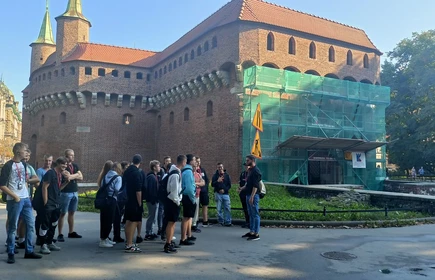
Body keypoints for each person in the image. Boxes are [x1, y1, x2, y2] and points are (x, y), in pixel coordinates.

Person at [0, 143, 42, 264]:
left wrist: (26, 194)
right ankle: (11, 252)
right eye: (25, 150)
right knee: (13, 227)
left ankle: (29, 250)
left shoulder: (24, 164)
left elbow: (24, 180)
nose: (27, 152)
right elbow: (2, 185)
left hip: (26, 198)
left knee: (30, 224)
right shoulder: (8, 166)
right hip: (15, 200)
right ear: (18, 152)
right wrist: (15, 196)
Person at [33, 157, 70, 254]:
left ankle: (50, 242)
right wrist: (45, 202)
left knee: (53, 223)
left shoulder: (60, 175)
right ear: (57, 164)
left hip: (56, 203)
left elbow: (58, 188)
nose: (65, 166)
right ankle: (42, 244)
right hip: (49, 203)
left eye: (66, 165)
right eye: (63, 164)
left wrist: (66, 182)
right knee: (44, 224)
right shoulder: (50, 173)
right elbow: (44, 187)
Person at [57, 149, 83, 242]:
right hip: (65, 192)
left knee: (72, 212)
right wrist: (76, 175)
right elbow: (67, 177)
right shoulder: (64, 166)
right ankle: (60, 233)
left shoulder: (75, 165)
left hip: (74, 191)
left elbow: (81, 177)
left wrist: (73, 176)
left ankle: (71, 232)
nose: (72, 157)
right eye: (70, 155)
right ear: (66, 156)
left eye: (73, 155)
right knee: (62, 213)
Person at [163, 155, 186, 253]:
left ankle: (169, 241)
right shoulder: (175, 174)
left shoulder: (174, 172)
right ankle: (168, 243)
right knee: (171, 223)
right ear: (183, 162)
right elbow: (174, 190)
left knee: (172, 223)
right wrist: (177, 201)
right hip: (172, 202)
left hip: (171, 201)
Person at [99, 162, 123, 248]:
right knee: (110, 220)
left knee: (104, 219)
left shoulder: (105, 176)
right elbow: (117, 188)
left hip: (104, 199)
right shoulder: (118, 177)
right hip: (112, 200)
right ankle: (104, 240)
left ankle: (104, 238)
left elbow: (102, 185)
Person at [123, 154, 144, 253]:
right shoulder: (137, 173)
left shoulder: (127, 171)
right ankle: (130, 245)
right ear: (140, 162)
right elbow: (138, 190)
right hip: (134, 201)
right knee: (134, 221)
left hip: (127, 199)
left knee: (128, 221)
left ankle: (128, 242)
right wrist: (140, 204)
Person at [240, 155, 262, 241]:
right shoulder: (250, 170)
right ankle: (252, 231)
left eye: (248, 160)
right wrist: (242, 188)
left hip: (253, 195)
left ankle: (256, 233)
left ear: (252, 160)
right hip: (248, 194)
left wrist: (252, 197)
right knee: (251, 214)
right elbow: (248, 183)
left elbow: (255, 186)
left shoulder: (256, 171)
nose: (246, 162)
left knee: (255, 214)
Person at [180, 154, 197, 246]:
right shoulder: (188, 172)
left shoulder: (186, 171)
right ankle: (183, 238)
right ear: (190, 161)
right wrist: (193, 198)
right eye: (194, 160)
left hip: (186, 196)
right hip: (188, 197)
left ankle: (187, 236)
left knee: (188, 217)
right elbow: (189, 188)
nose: (195, 162)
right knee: (186, 217)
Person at [112, 161, 130, 243]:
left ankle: (116, 235)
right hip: (120, 199)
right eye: (126, 168)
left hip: (119, 199)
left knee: (117, 217)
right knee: (117, 217)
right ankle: (117, 235)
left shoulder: (121, 176)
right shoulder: (121, 177)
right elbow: (118, 189)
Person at [145, 160, 161, 240]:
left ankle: (151, 231)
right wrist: (153, 199)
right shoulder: (151, 177)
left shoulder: (155, 176)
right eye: (158, 166)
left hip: (154, 200)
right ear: (154, 167)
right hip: (152, 200)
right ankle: (148, 232)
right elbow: (151, 190)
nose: (160, 167)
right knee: (151, 216)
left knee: (153, 216)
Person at [158, 156, 171, 239]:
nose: (168, 162)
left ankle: (163, 230)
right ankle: (161, 229)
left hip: (166, 196)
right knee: (162, 212)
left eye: (169, 161)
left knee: (164, 213)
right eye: (166, 161)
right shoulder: (162, 172)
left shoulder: (169, 172)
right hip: (164, 196)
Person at [196, 157, 210, 227]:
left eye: (199, 161)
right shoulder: (194, 171)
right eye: (197, 161)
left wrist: (205, 187)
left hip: (204, 191)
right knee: (197, 207)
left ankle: (205, 221)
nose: (198, 163)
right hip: (197, 191)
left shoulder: (203, 170)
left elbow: (207, 180)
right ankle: (196, 221)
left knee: (205, 205)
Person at [191, 159, 205, 233]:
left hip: (197, 194)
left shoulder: (198, 174)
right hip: (191, 195)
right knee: (191, 211)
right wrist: (197, 183)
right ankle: (189, 225)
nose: (195, 168)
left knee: (196, 211)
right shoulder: (189, 174)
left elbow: (203, 183)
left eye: (196, 166)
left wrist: (196, 184)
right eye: (193, 166)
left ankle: (194, 225)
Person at [237, 164, 250, 228]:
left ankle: (250, 222)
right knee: (245, 208)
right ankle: (247, 221)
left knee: (249, 208)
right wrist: (239, 189)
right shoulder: (242, 174)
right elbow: (240, 182)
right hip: (242, 193)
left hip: (248, 193)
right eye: (245, 166)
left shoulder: (251, 174)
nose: (246, 167)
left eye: (247, 166)